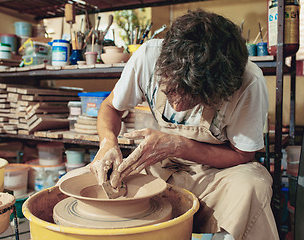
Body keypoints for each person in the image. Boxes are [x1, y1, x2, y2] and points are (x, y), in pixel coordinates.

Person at [89, 9, 278, 240]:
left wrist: (179, 145)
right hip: (161, 164)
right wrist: (108, 142)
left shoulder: (248, 82)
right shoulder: (148, 57)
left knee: (253, 186)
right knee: (98, 182)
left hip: (217, 173)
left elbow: (243, 154)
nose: (177, 105)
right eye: (170, 91)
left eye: (192, 98)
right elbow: (111, 107)